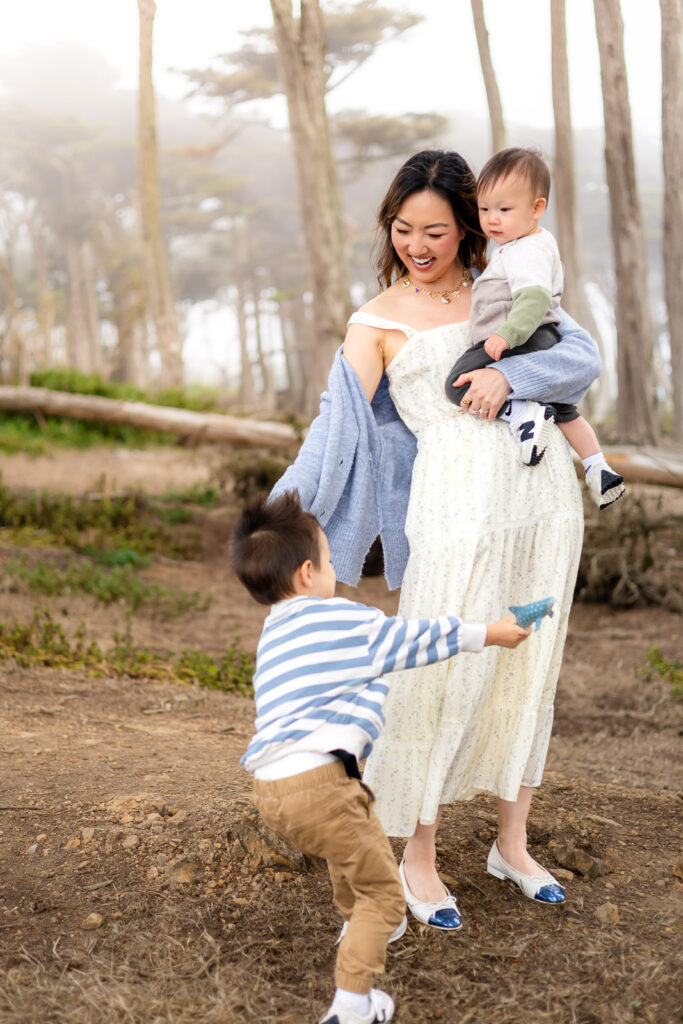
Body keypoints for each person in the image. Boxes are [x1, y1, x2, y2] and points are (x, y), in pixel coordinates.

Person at [270, 149, 601, 933]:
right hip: (452, 505)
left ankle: (510, 846)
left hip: (541, 496)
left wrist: (511, 378)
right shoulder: (376, 320)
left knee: (529, 664)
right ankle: (418, 854)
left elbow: (580, 358)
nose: (418, 244)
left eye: (436, 230)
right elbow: (334, 426)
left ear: (468, 228)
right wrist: (279, 509)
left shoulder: (509, 290)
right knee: (439, 665)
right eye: (403, 228)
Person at [230, 490, 531, 1024]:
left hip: (272, 791)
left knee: (355, 866)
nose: (334, 569)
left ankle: (360, 933)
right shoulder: (341, 620)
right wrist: (492, 634)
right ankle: (349, 1007)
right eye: (327, 560)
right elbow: (414, 639)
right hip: (322, 785)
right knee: (386, 898)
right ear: (306, 574)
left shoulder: (273, 633)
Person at [445, 146, 624, 509]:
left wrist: (505, 335)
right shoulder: (530, 244)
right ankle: (598, 468)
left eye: (504, 210)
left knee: (459, 385)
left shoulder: (524, 250)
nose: (492, 219)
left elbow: (534, 298)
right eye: (484, 209)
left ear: (537, 208)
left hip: (521, 338)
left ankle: (523, 414)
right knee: (566, 410)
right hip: (541, 338)